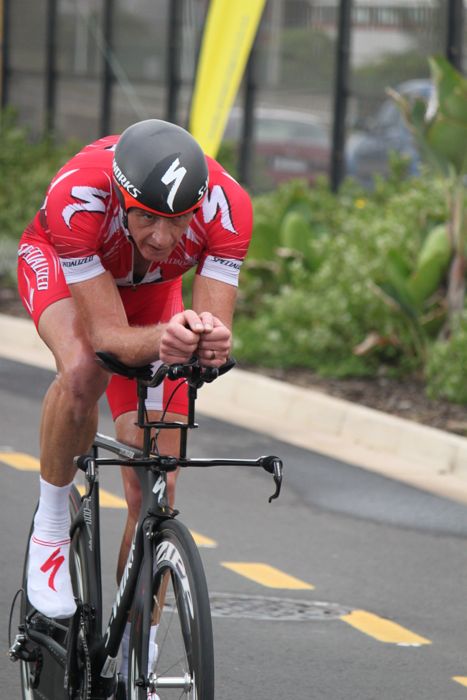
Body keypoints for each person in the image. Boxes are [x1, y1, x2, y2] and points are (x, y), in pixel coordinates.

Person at [17, 120, 252, 633]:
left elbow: (211, 327)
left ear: (198, 207)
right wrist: (167, 336)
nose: (162, 237)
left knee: (158, 482)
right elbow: (106, 340)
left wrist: (209, 341)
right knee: (83, 371)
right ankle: (52, 527)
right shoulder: (78, 197)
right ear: (122, 197)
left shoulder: (227, 208)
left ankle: (134, 657)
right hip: (64, 266)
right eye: (146, 218)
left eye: (177, 221)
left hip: (151, 296)